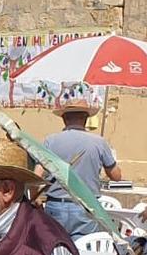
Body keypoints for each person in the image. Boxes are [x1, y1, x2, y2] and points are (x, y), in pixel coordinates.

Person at [39, 102, 123, 238]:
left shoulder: (50, 141)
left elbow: (37, 175)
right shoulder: (99, 142)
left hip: (56, 205)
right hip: (86, 206)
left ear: (64, 119)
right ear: (85, 119)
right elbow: (116, 176)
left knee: (55, 250)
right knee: (83, 251)